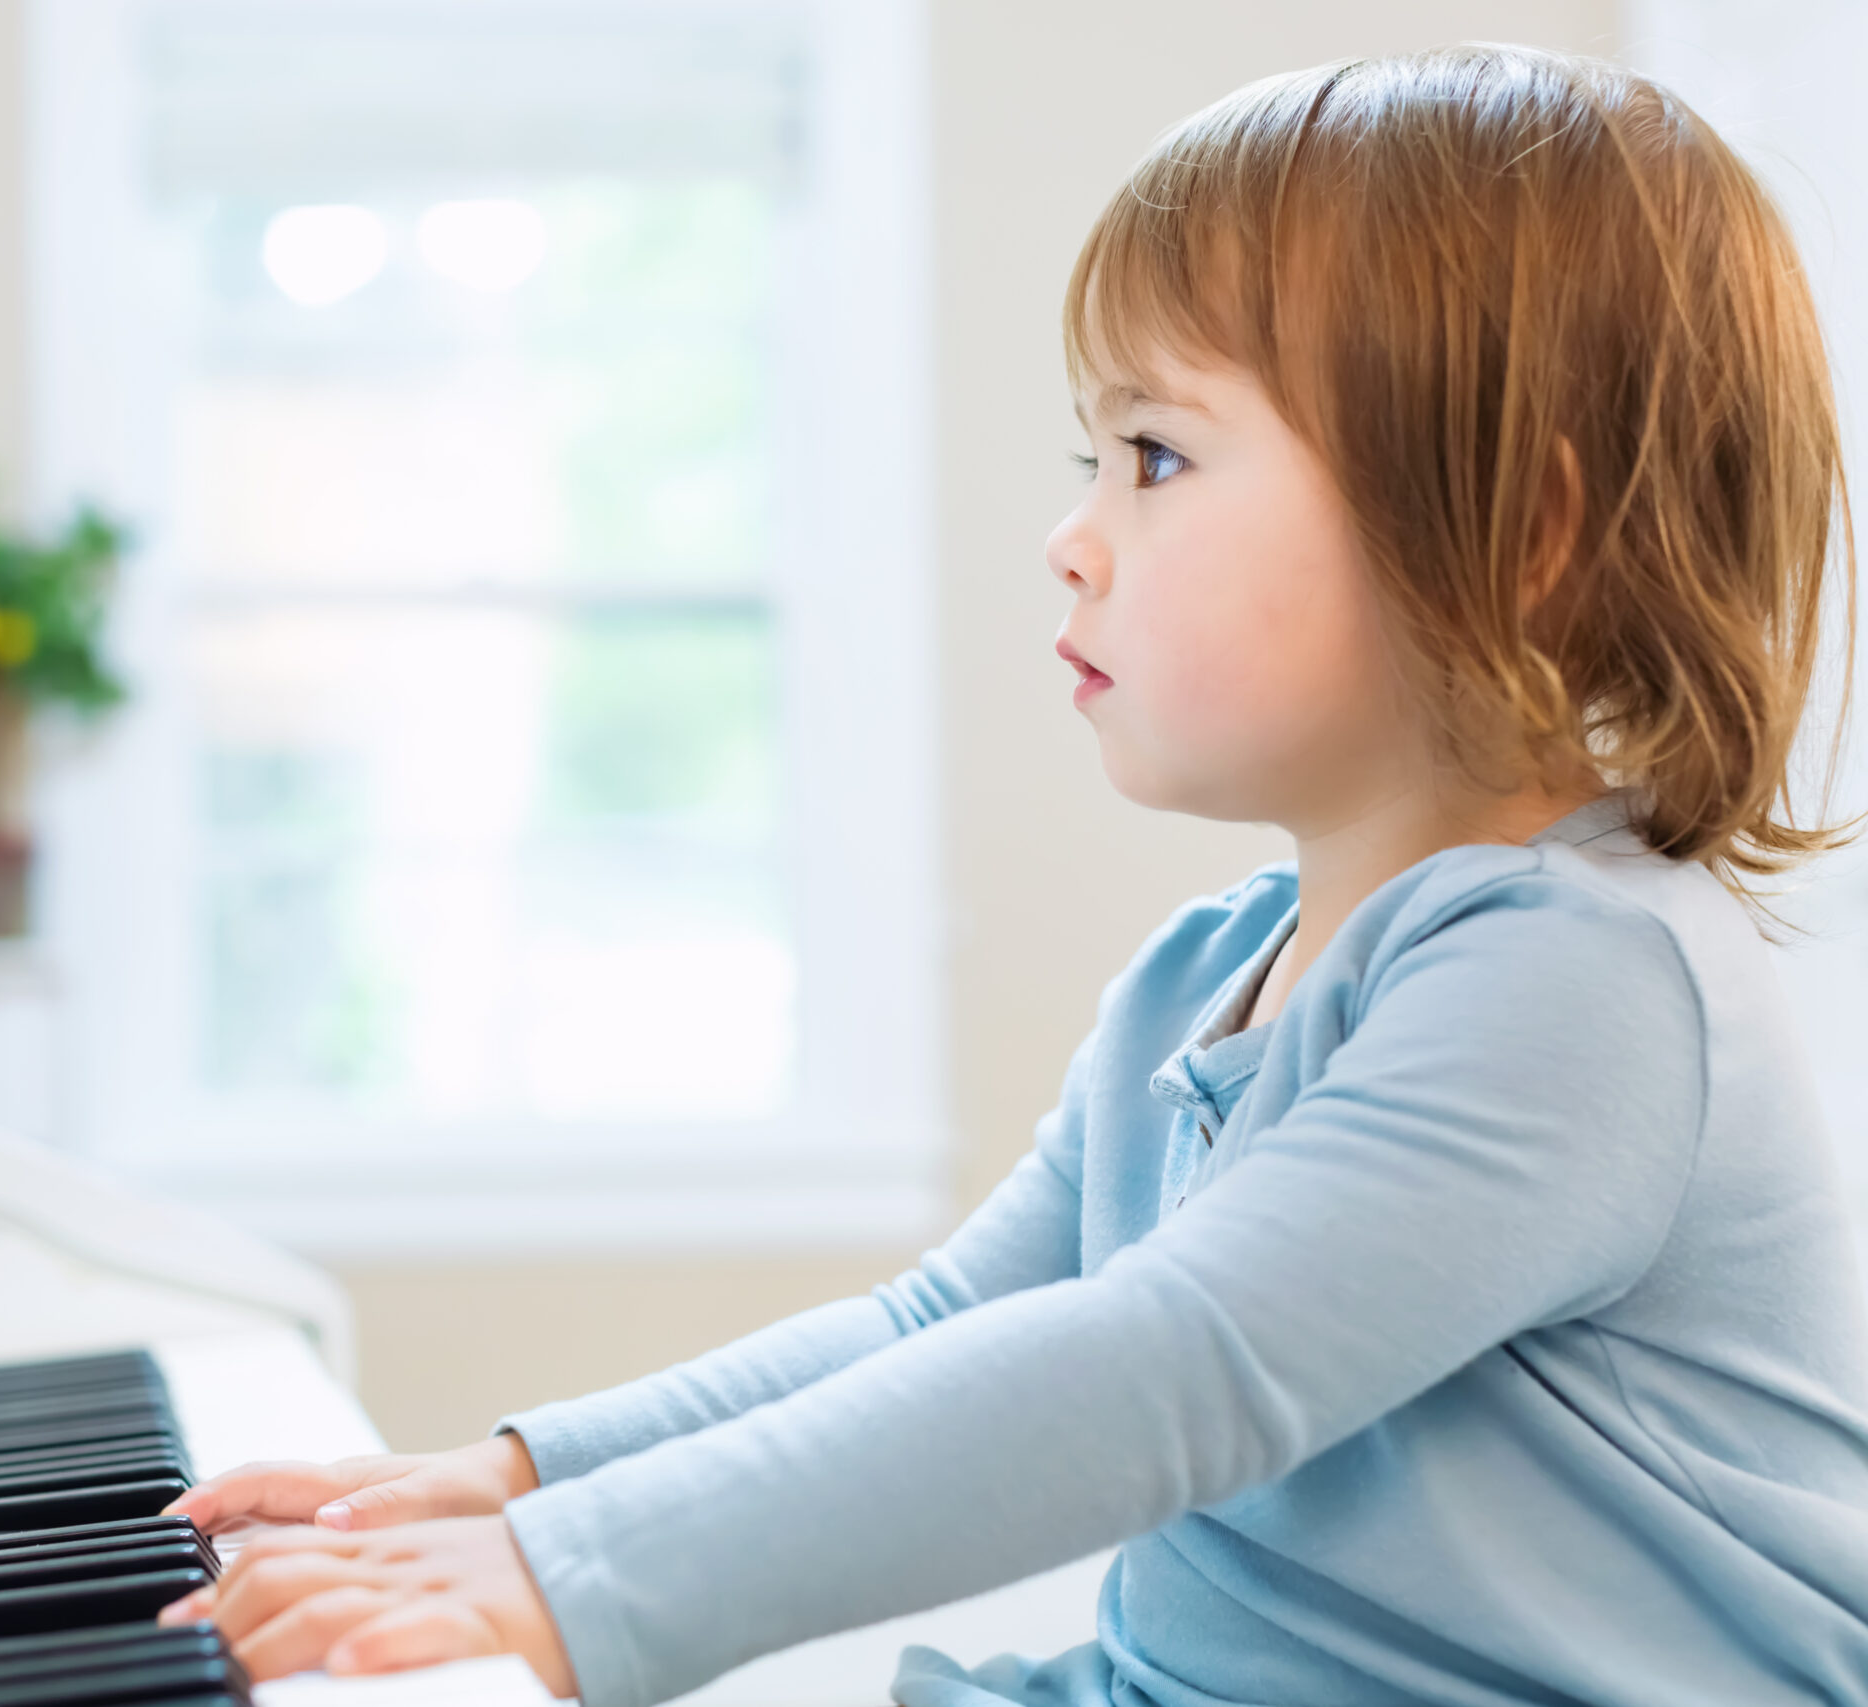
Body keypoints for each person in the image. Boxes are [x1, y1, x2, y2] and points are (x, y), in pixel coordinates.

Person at [160, 44, 1868, 1707]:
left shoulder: (1584, 978)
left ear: (1520, 535)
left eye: (1160, 457)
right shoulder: (1202, 980)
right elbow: (947, 1324)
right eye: (1094, 458)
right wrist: (521, 1479)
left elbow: (1170, 1366)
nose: (1075, 530)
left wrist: (579, 1582)